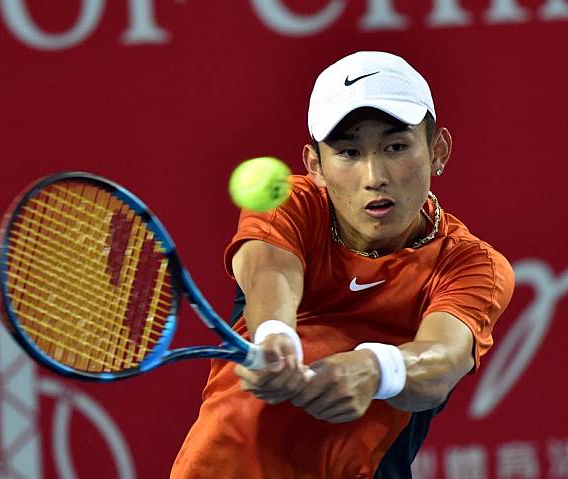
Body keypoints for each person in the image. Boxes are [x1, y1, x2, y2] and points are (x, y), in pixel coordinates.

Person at [170, 51, 514, 478]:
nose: (374, 175)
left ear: (438, 150)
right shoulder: (289, 204)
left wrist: (375, 369)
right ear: (315, 166)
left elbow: (442, 358)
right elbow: (269, 275)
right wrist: (276, 337)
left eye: (396, 146)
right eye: (349, 152)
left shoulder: (470, 265)